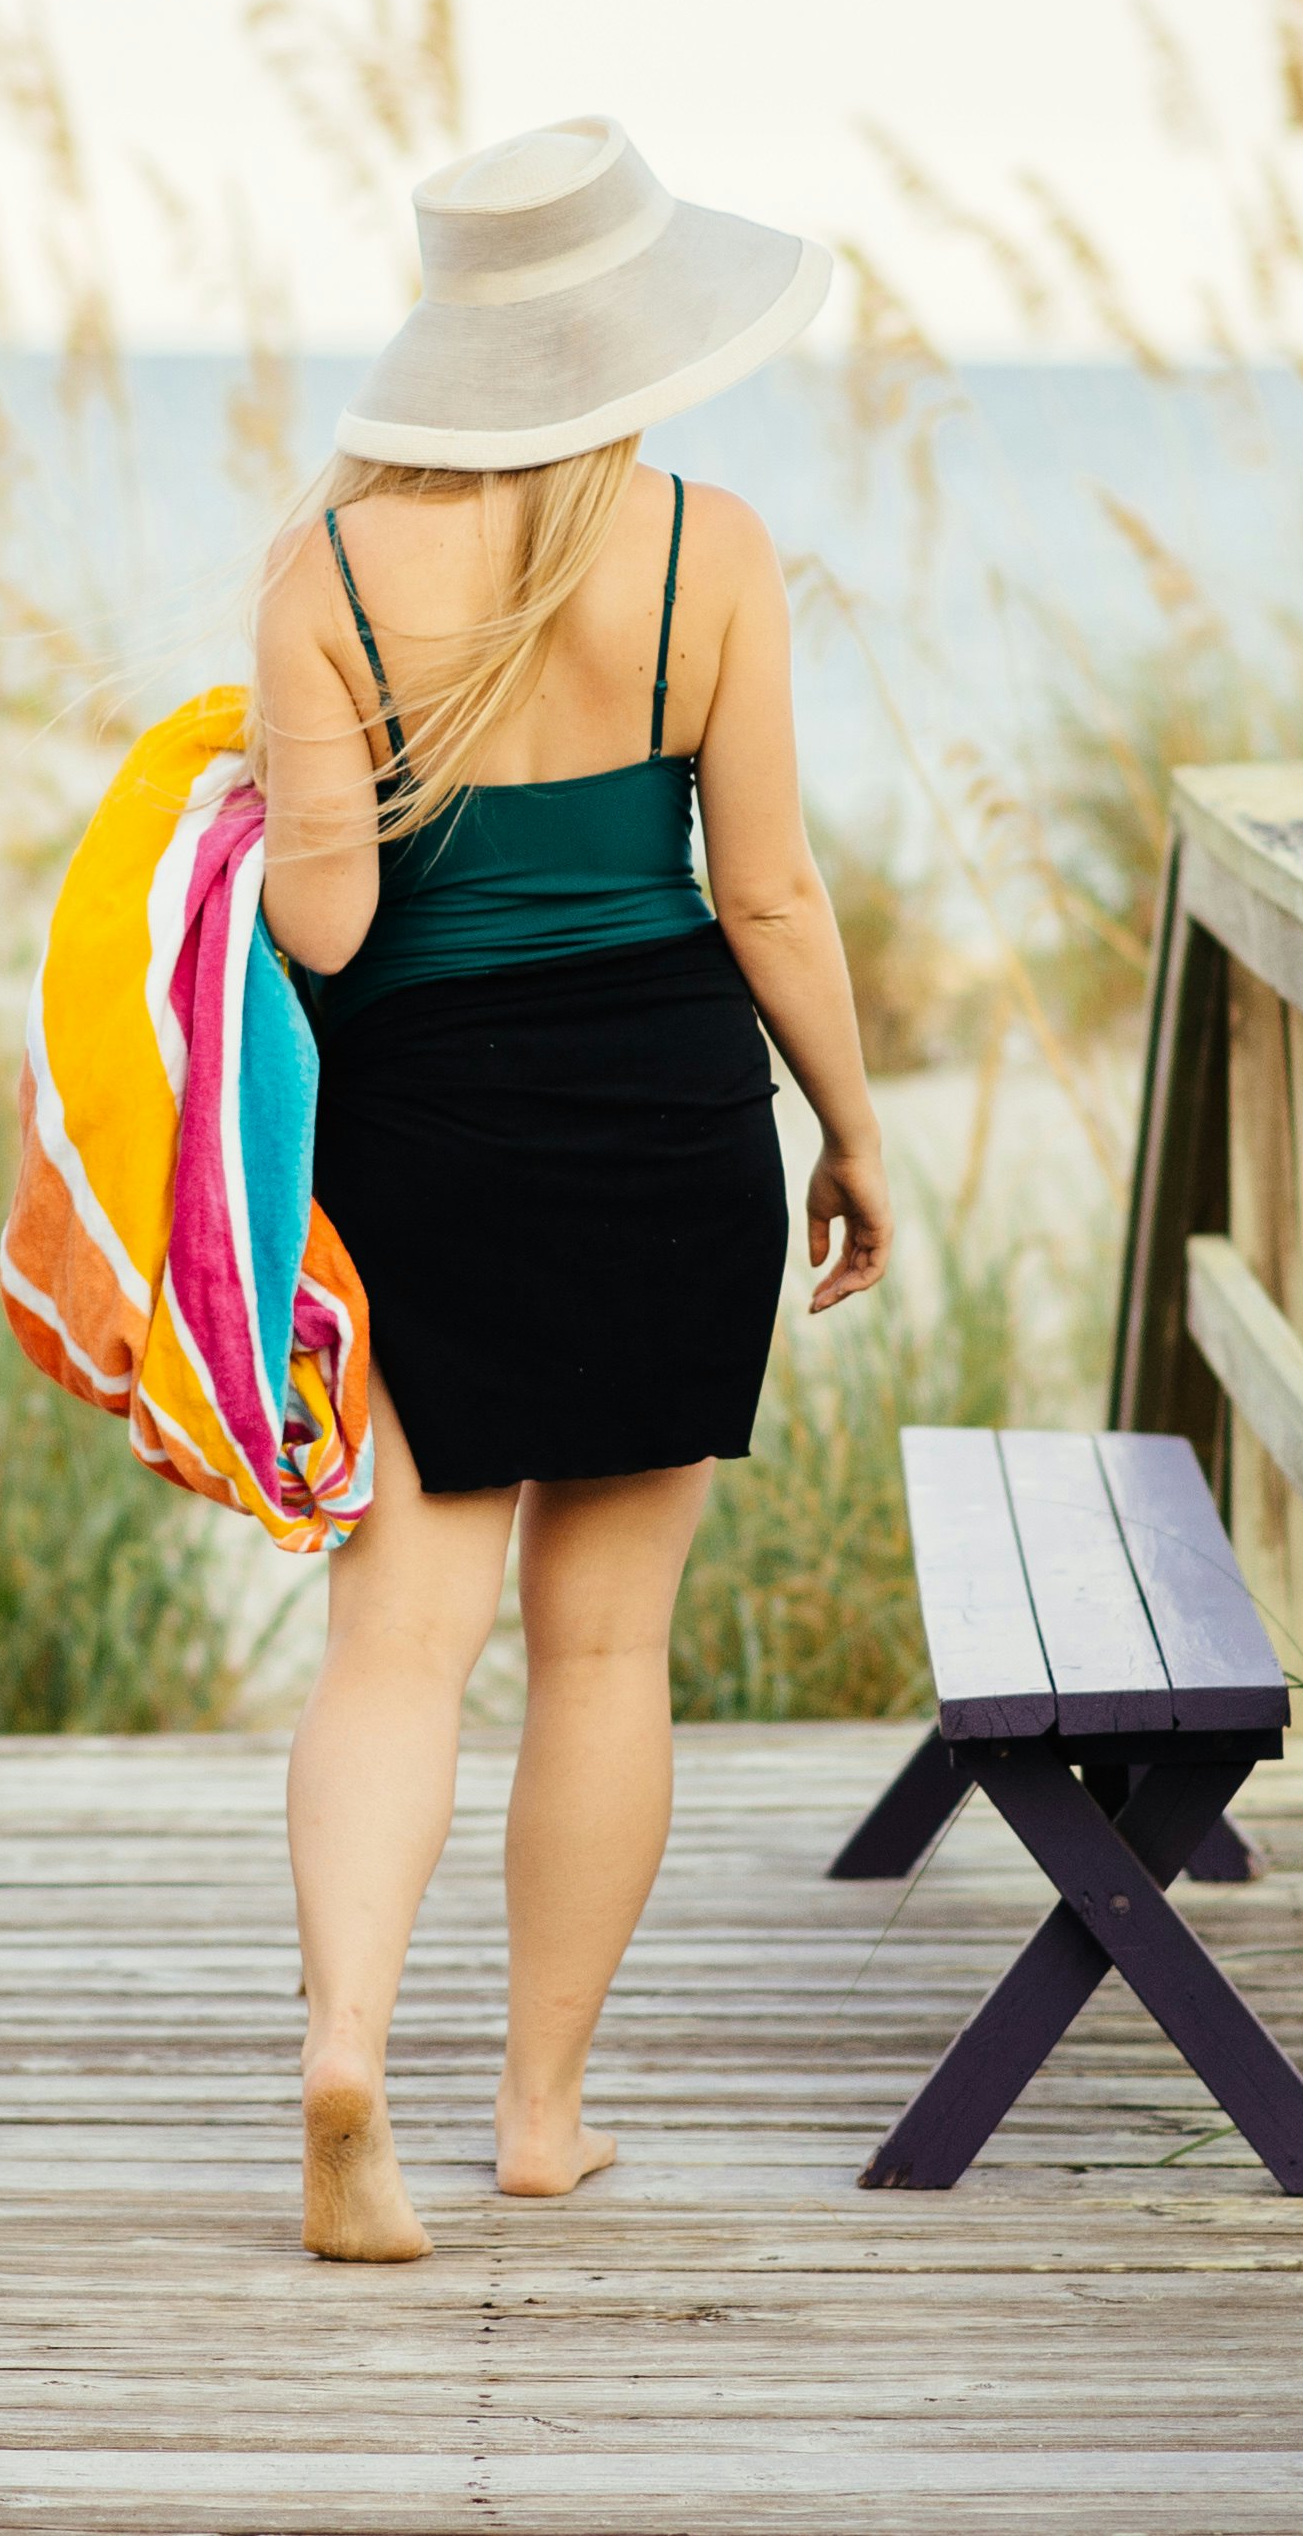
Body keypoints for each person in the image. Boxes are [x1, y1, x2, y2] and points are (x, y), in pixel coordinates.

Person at [251, 117, 894, 2264]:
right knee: (605, 1641)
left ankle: (351, 2049)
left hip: (419, 1134)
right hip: (665, 1120)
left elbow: (325, 937)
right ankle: (538, 2114)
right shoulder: (713, 548)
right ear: (633, 326)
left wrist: (280, 800)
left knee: (399, 1642)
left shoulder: (325, 570)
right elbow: (774, 888)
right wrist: (856, 1131)